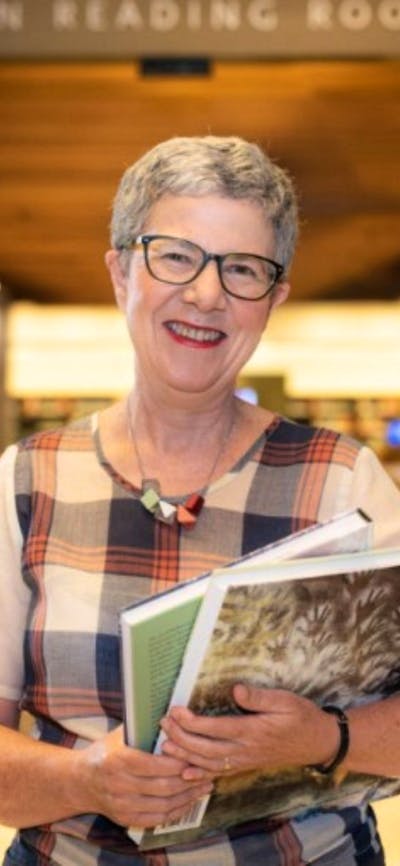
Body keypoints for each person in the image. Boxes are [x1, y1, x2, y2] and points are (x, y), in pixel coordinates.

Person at [1, 135, 400, 866]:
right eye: (177, 256)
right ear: (121, 271)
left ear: (272, 300)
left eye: (242, 269)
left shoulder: (345, 483)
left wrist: (324, 738)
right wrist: (84, 778)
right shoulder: (27, 482)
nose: (208, 294)